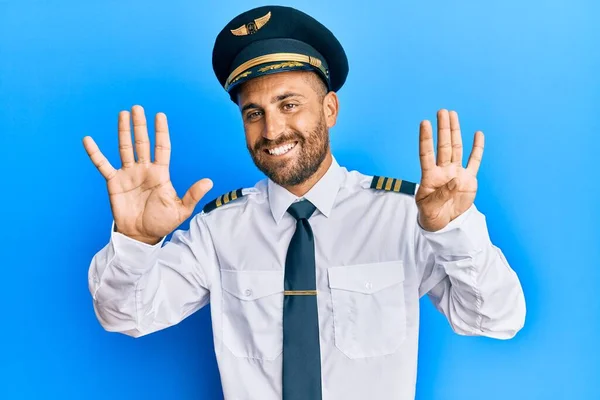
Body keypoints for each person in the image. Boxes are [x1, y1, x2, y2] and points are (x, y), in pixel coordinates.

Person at [83, 5, 525, 400]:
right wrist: (137, 240)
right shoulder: (218, 229)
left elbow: (495, 319)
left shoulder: (405, 215)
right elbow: (128, 315)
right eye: (253, 112)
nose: (271, 130)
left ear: (330, 109)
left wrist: (454, 230)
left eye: (289, 104)